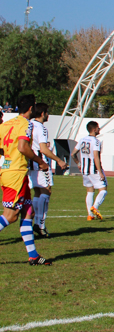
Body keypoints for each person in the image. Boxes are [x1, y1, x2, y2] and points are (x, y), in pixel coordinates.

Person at [0, 95, 52, 265]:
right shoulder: (26, 124)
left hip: (10, 171)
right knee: (11, 216)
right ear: (31, 108)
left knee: (28, 213)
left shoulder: (6, 124)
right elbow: (23, 147)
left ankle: (34, 256)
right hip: (16, 173)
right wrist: (40, 161)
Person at [28, 103, 65, 239]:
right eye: (47, 112)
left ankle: (35, 222)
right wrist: (59, 160)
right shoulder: (41, 128)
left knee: (37, 191)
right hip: (41, 163)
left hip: (30, 162)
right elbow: (43, 149)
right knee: (46, 190)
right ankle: (40, 224)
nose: (48, 115)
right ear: (43, 113)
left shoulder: (29, 124)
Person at [72, 121, 108, 222]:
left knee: (90, 191)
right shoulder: (96, 141)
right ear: (94, 129)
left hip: (84, 170)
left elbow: (73, 154)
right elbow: (96, 157)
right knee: (103, 189)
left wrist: (78, 164)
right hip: (94, 170)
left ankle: (89, 215)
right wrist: (100, 172)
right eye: (98, 127)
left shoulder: (82, 140)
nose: (99, 129)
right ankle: (95, 206)